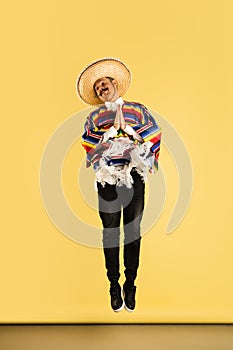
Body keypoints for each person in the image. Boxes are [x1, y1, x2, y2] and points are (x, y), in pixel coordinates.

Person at [76, 58, 162, 312]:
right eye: (97, 87)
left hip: (133, 174)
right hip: (108, 178)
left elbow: (154, 135)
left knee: (133, 231)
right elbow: (89, 150)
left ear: (115, 83)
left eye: (105, 82)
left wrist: (131, 131)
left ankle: (131, 284)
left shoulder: (138, 109)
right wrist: (111, 132)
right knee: (111, 232)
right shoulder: (94, 117)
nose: (102, 88)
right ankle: (114, 285)